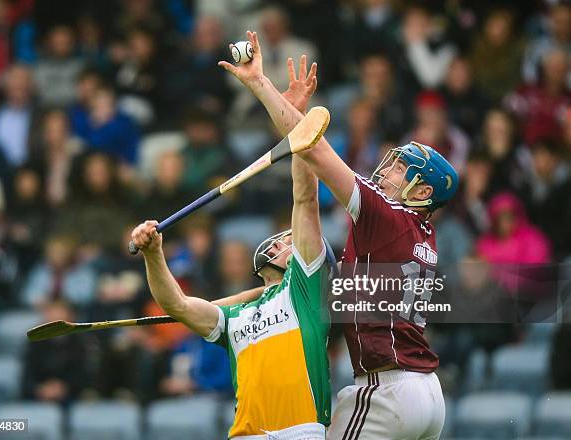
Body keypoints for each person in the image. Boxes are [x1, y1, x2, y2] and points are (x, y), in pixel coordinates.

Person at [219, 31, 459, 440]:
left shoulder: (386, 215)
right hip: (428, 396)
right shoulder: (422, 236)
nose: (386, 170)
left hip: (387, 393)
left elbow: (312, 148)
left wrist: (262, 85)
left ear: (422, 193)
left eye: (402, 169)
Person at [131, 59, 332, 439]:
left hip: (299, 432)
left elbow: (305, 199)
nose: (291, 238)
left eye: (294, 240)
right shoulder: (234, 315)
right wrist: (154, 253)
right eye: (289, 237)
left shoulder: (305, 292)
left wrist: (298, 121)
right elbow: (175, 304)